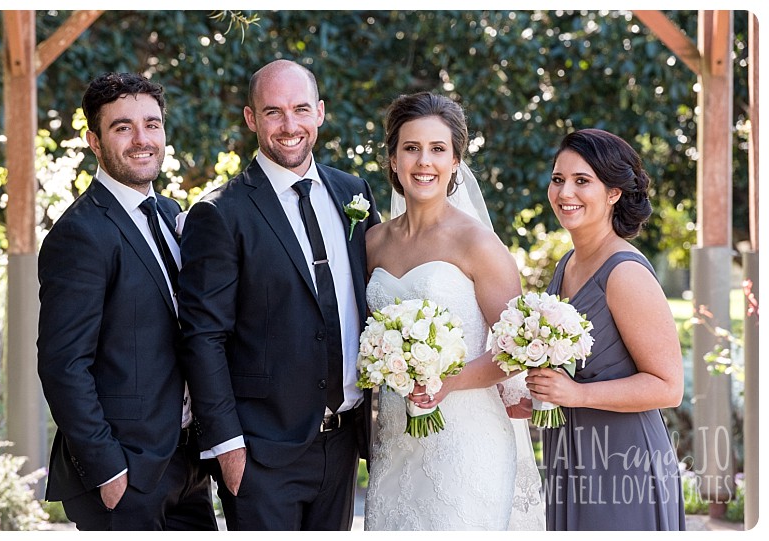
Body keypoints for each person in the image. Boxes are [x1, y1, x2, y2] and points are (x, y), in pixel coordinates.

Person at [176, 59, 381, 530]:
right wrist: (227, 446)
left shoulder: (354, 193)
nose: (290, 126)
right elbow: (203, 337)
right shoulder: (220, 213)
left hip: (344, 441)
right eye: (273, 112)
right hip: (260, 451)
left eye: (300, 109)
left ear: (320, 113)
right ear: (251, 119)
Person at [37, 72, 218, 530]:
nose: (142, 139)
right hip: (126, 475)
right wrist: (109, 469)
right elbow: (63, 365)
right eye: (123, 127)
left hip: (188, 465)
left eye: (152, 124)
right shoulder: (80, 234)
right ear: (94, 141)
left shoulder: (172, 214)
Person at [362, 91, 544, 531]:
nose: (424, 161)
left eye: (438, 149)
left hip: (466, 438)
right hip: (396, 434)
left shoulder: (477, 243)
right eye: (411, 148)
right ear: (392, 159)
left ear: (456, 161)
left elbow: (518, 346)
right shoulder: (372, 243)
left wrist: (448, 382)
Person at [526, 128, 686, 530]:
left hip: (621, 460)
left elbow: (669, 386)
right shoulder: (568, 264)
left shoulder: (625, 273)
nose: (565, 193)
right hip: (572, 452)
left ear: (613, 192)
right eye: (558, 179)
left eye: (583, 181)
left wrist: (576, 394)